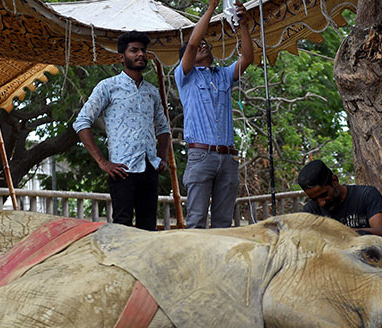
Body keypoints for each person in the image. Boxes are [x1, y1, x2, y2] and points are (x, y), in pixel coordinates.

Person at [73, 31, 171, 231]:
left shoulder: (152, 91)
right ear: (121, 57)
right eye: (134, 50)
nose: (140, 54)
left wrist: (162, 158)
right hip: (122, 170)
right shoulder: (108, 87)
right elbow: (82, 122)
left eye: (143, 50)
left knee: (149, 228)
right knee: (122, 227)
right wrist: (103, 162)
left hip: (150, 167)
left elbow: (164, 128)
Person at [175, 0, 253, 228]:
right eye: (200, 45)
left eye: (206, 44)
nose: (203, 46)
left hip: (228, 157)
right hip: (201, 156)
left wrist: (244, 26)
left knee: (223, 222)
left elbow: (248, 58)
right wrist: (211, 8)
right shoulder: (185, 76)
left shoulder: (223, 75)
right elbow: (191, 44)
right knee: (196, 220)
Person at [298, 160, 382, 239]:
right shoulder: (310, 211)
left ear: (334, 180)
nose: (321, 203)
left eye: (324, 194)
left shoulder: (366, 194)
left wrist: (341, 232)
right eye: (314, 199)